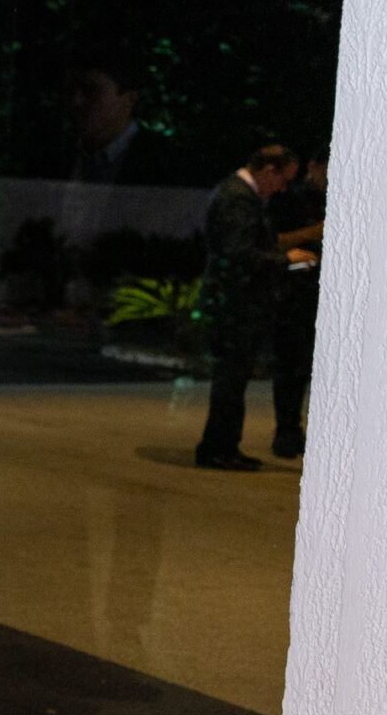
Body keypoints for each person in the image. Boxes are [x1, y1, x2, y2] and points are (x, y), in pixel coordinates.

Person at [195, 143, 311, 470]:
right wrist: (287, 261)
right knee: (231, 379)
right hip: (234, 304)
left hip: (234, 302)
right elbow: (239, 254)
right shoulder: (238, 198)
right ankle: (219, 448)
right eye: (282, 179)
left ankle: (223, 445)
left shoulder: (240, 195)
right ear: (268, 170)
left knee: (233, 377)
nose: (283, 188)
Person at [268, 146, 327, 458]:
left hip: (324, 297)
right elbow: (270, 241)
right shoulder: (289, 198)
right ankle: (287, 431)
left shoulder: (341, 197)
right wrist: (313, 232)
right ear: (315, 165)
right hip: (294, 295)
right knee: (291, 366)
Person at [67, 56, 184, 185]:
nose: (76, 101)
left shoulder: (166, 162)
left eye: (92, 91)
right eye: (72, 91)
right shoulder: (60, 155)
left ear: (129, 99)